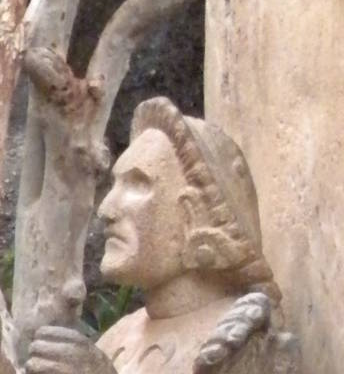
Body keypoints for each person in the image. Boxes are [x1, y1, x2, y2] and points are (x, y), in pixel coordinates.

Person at [27, 97, 293, 374]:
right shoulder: (118, 338)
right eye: (116, 185)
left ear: (192, 215)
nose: (106, 209)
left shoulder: (247, 340)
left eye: (137, 184)